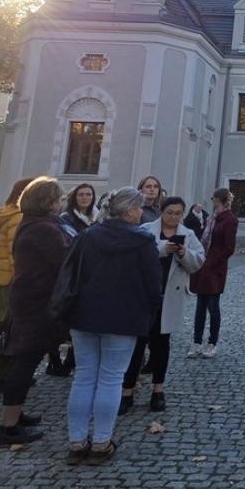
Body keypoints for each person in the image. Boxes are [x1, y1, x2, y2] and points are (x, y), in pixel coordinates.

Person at [64, 187, 163, 463]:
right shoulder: (142, 242)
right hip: (123, 318)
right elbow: (153, 286)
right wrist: (149, 311)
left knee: (84, 378)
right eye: (139, 207)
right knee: (111, 379)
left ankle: (76, 441)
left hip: (84, 315)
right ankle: (101, 443)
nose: (141, 212)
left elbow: (74, 273)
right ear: (130, 210)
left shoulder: (88, 236)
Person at [0, 177, 73, 447]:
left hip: (28, 297)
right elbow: (65, 260)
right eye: (58, 199)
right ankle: (8, 426)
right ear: (48, 202)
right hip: (37, 301)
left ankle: (16, 413)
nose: (60, 204)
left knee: (25, 361)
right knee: (25, 362)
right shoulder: (44, 229)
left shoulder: (32, 223)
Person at [122, 195, 204, 413]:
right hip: (143, 296)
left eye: (178, 213)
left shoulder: (188, 234)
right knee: (136, 345)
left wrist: (183, 252)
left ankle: (158, 389)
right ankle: (127, 390)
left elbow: (198, 262)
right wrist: (163, 249)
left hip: (168, 296)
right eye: (170, 212)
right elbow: (133, 256)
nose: (174, 217)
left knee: (161, 345)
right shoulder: (146, 230)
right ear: (162, 211)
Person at [0, 176, 34, 394]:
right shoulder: (18, 218)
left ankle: (7, 372)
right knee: (6, 326)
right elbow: (18, 254)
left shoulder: (11, 214)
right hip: (15, 280)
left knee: (9, 326)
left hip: (9, 279)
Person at [43, 183, 99, 376]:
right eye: (81, 194)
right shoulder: (66, 219)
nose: (85, 198)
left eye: (88, 195)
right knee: (59, 320)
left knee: (79, 319)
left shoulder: (97, 218)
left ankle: (72, 359)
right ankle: (54, 359)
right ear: (74, 197)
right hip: (68, 272)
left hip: (87, 273)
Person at [190, 187, 239, 358]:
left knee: (213, 306)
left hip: (215, 269)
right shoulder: (212, 218)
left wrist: (214, 262)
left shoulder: (230, 219)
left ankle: (212, 342)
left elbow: (229, 248)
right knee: (200, 306)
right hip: (203, 265)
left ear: (219, 199)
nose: (211, 201)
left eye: (213, 198)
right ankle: (196, 342)